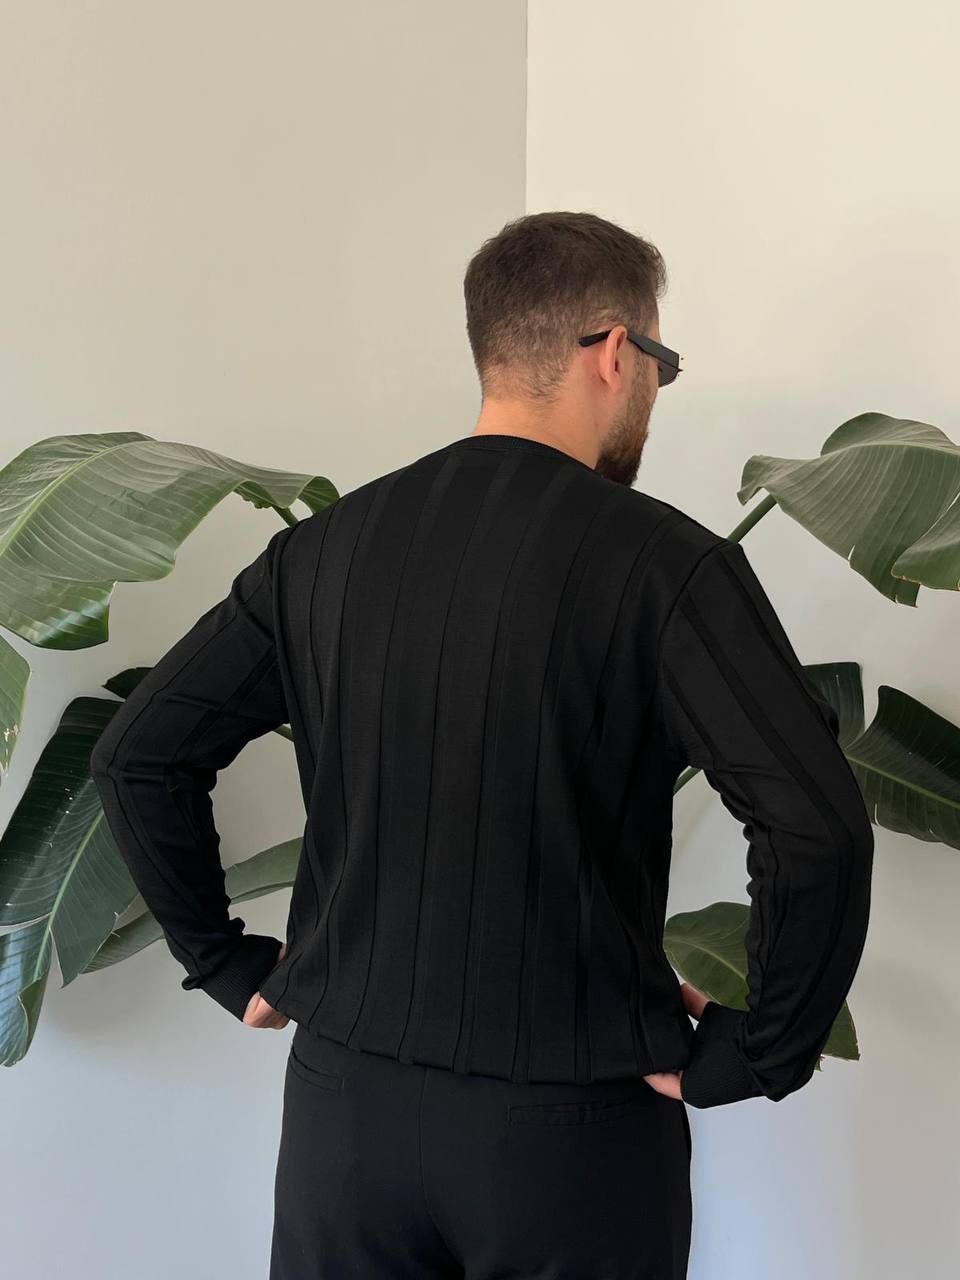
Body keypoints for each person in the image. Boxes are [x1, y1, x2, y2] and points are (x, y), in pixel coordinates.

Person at [90, 210, 874, 1279]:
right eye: (663, 364)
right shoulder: (664, 566)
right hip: (572, 1136)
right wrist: (766, 1049)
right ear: (614, 351)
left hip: (342, 1121)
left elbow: (137, 754)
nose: (656, 388)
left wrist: (224, 963)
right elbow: (816, 825)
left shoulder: (322, 552)